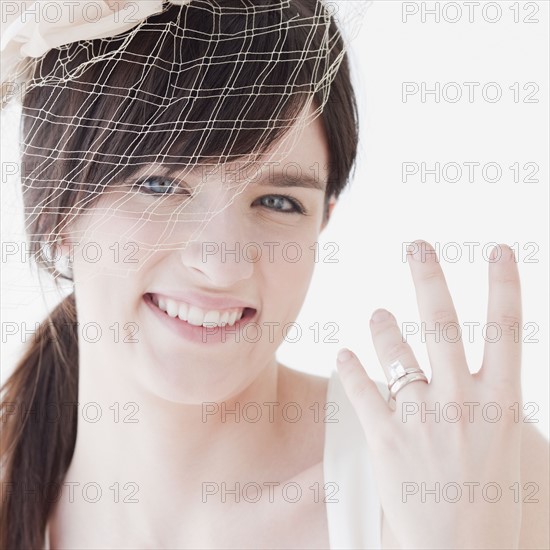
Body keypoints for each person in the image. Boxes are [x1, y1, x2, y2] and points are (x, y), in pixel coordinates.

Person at [1, 1, 548, 549]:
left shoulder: (473, 481)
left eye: (279, 202)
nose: (220, 264)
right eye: (161, 186)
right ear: (58, 205)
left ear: (323, 220)